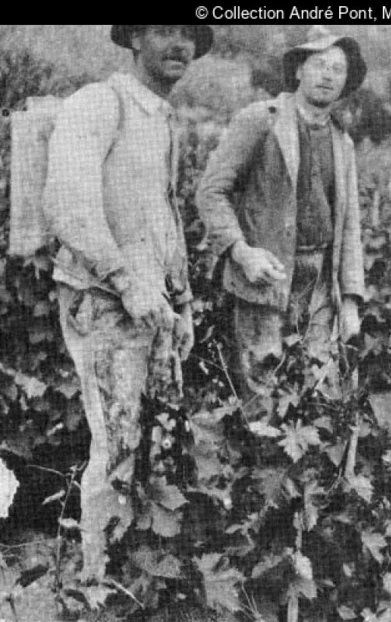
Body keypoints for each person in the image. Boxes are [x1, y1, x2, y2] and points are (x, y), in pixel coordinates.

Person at [43, 25, 212, 581]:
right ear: (135, 38)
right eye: (165, 30)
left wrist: (181, 300)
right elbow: (67, 207)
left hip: (154, 306)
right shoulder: (99, 103)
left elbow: (163, 216)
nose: (180, 45)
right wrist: (126, 279)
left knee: (154, 438)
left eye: (190, 34)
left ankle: (136, 569)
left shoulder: (160, 117)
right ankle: (97, 578)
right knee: (115, 441)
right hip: (104, 301)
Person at [196, 26, 366, 402]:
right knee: (261, 392)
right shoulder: (262, 119)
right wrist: (242, 252)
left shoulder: (343, 141)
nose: (327, 75)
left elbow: (350, 224)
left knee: (319, 388)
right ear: (299, 70)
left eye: (337, 69)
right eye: (319, 64)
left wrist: (351, 300)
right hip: (265, 278)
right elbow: (211, 192)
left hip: (319, 282)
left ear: (345, 82)